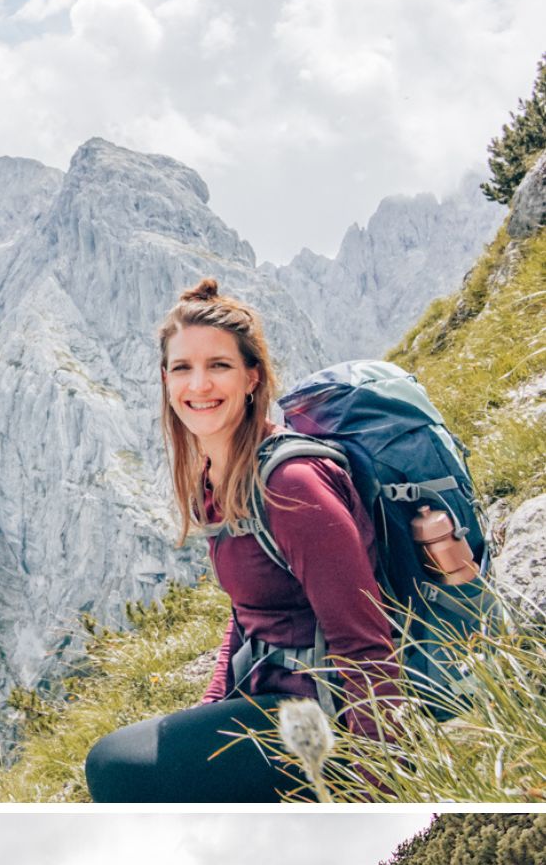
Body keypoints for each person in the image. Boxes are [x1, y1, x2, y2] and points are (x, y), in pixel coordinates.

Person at [84, 278, 399, 803]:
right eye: (182, 368)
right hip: (272, 695)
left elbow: (366, 645)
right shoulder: (217, 479)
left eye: (219, 366)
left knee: (116, 767)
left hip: (326, 715)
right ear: (165, 380)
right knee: (132, 757)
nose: (199, 384)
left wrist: (374, 789)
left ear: (253, 378)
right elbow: (248, 612)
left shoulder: (291, 486)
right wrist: (210, 706)